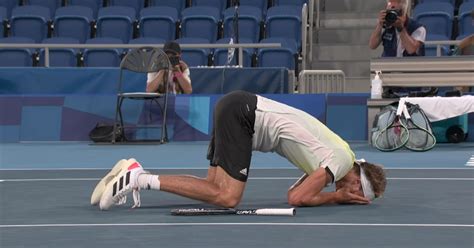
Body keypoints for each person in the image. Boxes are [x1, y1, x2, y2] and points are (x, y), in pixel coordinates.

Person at [94, 91, 387, 210]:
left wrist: (330, 192)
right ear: (357, 181)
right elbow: (297, 199)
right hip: (244, 116)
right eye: (360, 194)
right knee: (228, 196)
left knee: (213, 189)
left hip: (237, 107)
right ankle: (137, 177)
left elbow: (295, 193)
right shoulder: (340, 160)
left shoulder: (338, 155)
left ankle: (128, 170)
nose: (354, 198)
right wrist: (335, 197)